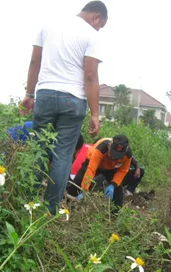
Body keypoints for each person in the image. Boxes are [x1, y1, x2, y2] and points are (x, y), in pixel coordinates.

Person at [19, 1, 108, 215]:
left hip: (46, 95)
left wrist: (29, 94)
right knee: (62, 156)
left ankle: (27, 206)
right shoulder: (91, 35)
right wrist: (95, 114)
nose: (98, 29)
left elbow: (34, 63)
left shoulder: (48, 26)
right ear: (96, 17)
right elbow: (90, 75)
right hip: (73, 100)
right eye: (100, 25)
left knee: (39, 150)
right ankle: (49, 211)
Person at [67, 135, 132, 213]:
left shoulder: (128, 154)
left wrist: (113, 184)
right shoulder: (101, 148)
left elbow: (123, 170)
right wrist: (84, 190)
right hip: (92, 163)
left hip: (111, 168)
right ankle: (67, 204)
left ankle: (115, 214)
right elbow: (91, 170)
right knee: (77, 183)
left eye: (118, 156)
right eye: (113, 153)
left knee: (118, 191)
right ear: (109, 146)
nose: (114, 157)